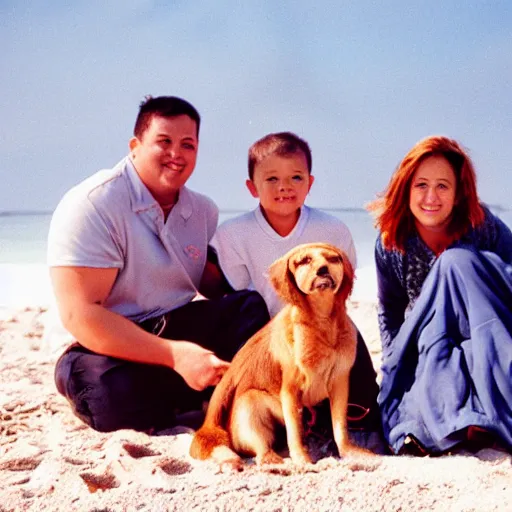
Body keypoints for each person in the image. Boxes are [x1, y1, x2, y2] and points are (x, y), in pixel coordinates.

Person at [47, 96, 270, 433]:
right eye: (163, 142)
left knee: (249, 308)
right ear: (135, 146)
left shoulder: (202, 210)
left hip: (174, 323)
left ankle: (207, 399)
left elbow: (213, 282)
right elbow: (81, 315)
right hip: (108, 344)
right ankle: (189, 398)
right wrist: (176, 356)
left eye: (188, 145)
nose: (176, 154)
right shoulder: (94, 203)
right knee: (108, 394)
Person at [210, 131, 383, 444]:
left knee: (359, 373)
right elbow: (239, 298)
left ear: (310, 183)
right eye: (272, 179)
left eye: (295, 177)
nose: (284, 187)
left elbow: (341, 290)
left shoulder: (332, 229)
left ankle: (338, 417)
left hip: (320, 324)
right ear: (252, 187)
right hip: (267, 335)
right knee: (245, 309)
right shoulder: (232, 234)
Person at [367, 135, 512, 455]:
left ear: (459, 193)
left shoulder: (482, 225)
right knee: (426, 383)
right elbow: (390, 309)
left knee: (455, 262)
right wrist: (392, 362)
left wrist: (462, 275)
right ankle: (465, 425)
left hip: (484, 328)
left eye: (443, 186)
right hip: (434, 341)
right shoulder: (392, 242)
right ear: (406, 188)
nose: (431, 196)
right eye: (421, 185)